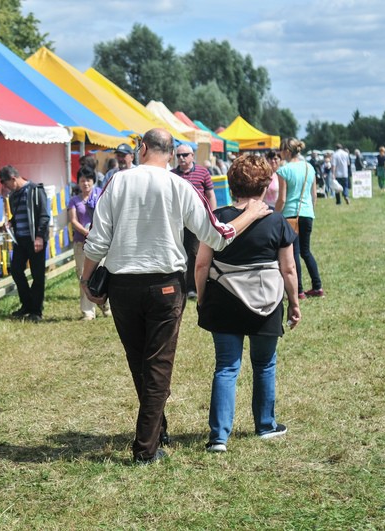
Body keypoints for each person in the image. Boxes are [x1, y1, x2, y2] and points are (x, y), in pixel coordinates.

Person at [79, 128, 271, 464]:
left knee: (141, 363)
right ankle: (146, 447)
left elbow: (97, 238)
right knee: (157, 365)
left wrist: (86, 279)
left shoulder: (118, 182)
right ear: (171, 154)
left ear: (142, 149)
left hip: (123, 285)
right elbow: (218, 234)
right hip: (166, 285)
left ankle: (154, 434)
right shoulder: (180, 186)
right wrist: (251, 214)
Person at [195, 153, 300, 453]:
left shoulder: (216, 218)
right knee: (264, 364)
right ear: (266, 187)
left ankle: (218, 438)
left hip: (224, 301)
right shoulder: (278, 221)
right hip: (266, 304)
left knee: (226, 367)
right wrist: (294, 303)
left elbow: (202, 265)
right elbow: (289, 269)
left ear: (231, 186)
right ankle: (265, 425)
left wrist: (203, 298)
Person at [0, 165, 50, 322]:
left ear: (13, 179)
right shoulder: (13, 196)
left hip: (35, 239)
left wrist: (40, 237)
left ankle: (36, 311)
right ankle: (27, 304)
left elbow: (44, 215)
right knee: (15, 270)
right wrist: (11, 222)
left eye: (5, 183)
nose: (5, 187)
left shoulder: (35, 190)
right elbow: (19, 214)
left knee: (37, 275)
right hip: (20, 240)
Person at [275, 137, 324, 299]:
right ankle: (317, 286)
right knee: (306, 251)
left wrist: (275, 215)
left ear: (287, 151)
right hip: (307, 213)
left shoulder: (284, 170)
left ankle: (299, 290)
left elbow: (282, 198)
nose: (280, 153)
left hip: (290, 214)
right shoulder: (309, 167)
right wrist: (310, 210)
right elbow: (314, 194)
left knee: (294, 253)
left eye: (281, 150)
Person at [171, 143, 218, 300]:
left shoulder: (202, 172)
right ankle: (178, 284)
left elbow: (210, 195)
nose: (182, 158)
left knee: (194, 252)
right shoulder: (171, 174)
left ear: (192, 156)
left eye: (185, 155)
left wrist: (213, 215)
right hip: (177, 220)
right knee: (177, 252)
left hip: (198, 219)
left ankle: (191, 287)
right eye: (179, 155)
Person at [67, 166, 109, 321]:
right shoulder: (74, 201)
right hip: (81, 243)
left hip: (100, 243)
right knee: (83, 276)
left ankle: (105, 305)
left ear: (93, 181)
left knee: (101, 274)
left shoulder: (101, 196)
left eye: (88, 180)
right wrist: (87, 233)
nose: (85, 183)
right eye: (82, 180)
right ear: (78, 182)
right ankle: (88, 311)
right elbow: (73, 220)